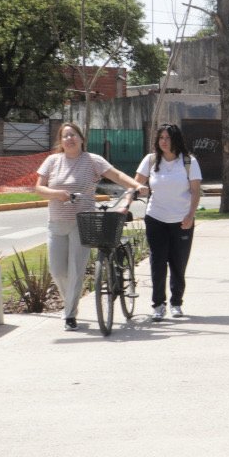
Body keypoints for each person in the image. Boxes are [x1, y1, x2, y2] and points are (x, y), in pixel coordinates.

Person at [34, 122, 143, 331]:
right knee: (57, 270)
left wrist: (136, 186)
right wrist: (57, 194)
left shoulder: (92, 160)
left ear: (82, 139)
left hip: (82, 222)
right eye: (65, 136)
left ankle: (69, 315)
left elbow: (117, 175)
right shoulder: (52, 161)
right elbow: (39, 188)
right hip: (56, 222)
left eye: (73, 135)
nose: (69, 139)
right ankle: (70, 305)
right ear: (61, 141)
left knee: (76, 270)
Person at [135, 123, 204, 321]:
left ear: (176, 140)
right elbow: (137, 182)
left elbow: (195, 190)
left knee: (178, 263)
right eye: (161, 138)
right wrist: (140, 188)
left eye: (168, 138)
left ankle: (176, 303)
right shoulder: (150, 160)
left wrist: (190, 215)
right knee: (157, 262)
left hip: (181, 219)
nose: (164, 142)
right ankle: (158, 304)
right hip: (155, 217)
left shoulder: (189, 161)